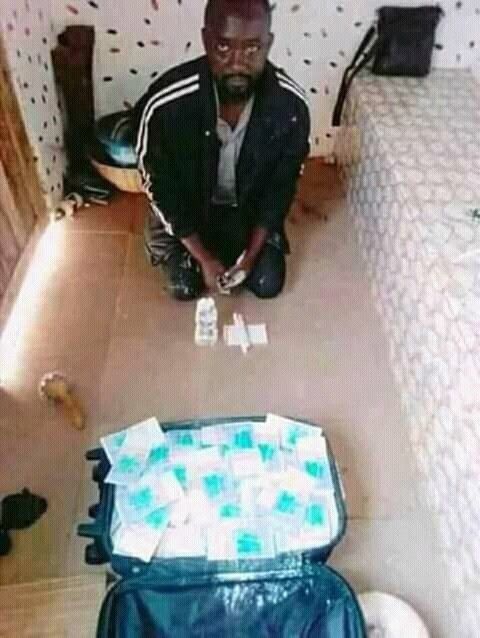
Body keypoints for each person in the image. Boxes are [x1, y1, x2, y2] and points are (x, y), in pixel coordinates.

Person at [134, 0, 310, 300]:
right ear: (206, 40)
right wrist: (203, 258)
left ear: (268, 44)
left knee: (267, 282)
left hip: (244, 209)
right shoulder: (167, 105)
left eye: (252, 48)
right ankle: (175, 244)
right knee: (185, 286)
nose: (238, 63)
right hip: (187, 209)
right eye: (224, 48)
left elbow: (281, 187)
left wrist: (250, 256)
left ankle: (246, 245)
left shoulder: (290, 107)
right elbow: (159, 185)